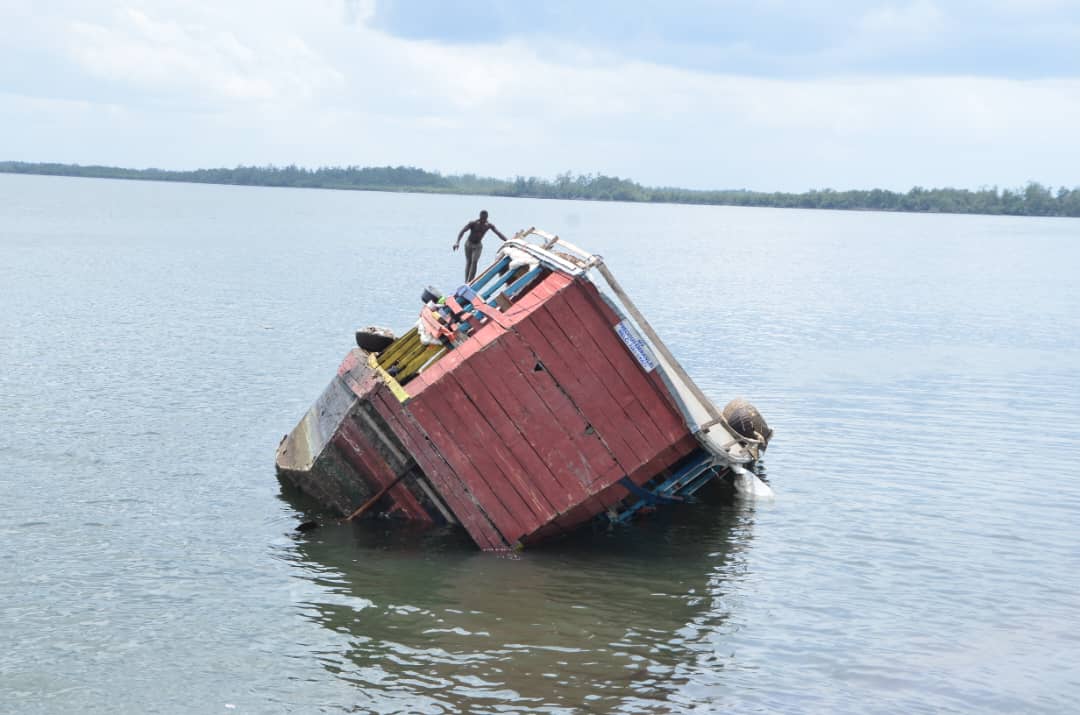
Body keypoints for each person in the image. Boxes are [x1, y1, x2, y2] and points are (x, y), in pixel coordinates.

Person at [453, 210, 508, 282]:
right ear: (480, 217)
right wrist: (457, 242)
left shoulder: (488, 225)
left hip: (478, 245)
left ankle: (470, 281)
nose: (483, 221)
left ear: (487, 218)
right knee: (469, 262)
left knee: (474, 261)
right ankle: (466, 281)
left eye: (484, 219)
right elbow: (462, 231)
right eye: (482, 218)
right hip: (468, 244)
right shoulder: (473, 223)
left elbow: (498, 233)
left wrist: (507, 241)